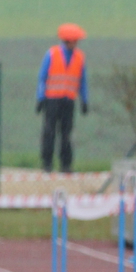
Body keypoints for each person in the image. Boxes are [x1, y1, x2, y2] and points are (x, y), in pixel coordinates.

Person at [37, 23, 89, 174]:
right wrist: (40, 98)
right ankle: (47, 163)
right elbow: (42, 77)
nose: (76, 43)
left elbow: (83, 81)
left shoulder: (80, 57)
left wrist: (84, 100)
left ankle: (66, 165)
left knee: (66, 134)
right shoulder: (52, 54)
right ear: (67, 40)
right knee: (49, 132)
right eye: (74, 40)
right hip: (52, 99)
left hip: (69, 100)